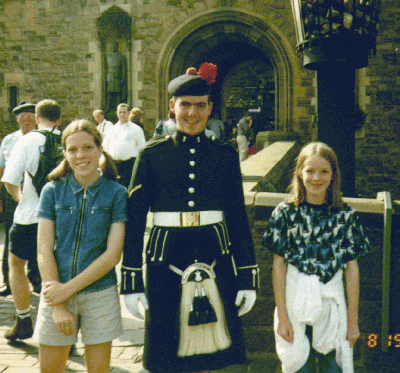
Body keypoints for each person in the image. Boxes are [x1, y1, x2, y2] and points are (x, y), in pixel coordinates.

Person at [122, 62, 259, 373]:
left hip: (215, 256)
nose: (193, 114)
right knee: (166, 354)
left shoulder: (224, 156)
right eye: (185, 105)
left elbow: (237, 217)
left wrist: (248, 275)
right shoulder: (151, 155)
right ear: (172, 107)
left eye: (200, 106)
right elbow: (134, 219)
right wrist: (130, 279)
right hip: (164, 259)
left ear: (210, 108)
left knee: (208, 355)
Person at [262, 142, 371, 373]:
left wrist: (353, 321)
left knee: (334, 367)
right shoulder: (285, 213)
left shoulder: (345, 215)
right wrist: (282, 316)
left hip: (332, 304)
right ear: (300, 172)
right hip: (294, 302)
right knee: (297, 365)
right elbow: (278, 266)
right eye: (310, 170)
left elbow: (352, 269)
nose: (316, 178)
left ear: (333, 175)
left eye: (324, 171)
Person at [33, 119, 126, 372]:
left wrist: (67, 290)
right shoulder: (52, 191)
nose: (80, 155)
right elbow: (43, 249)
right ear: (65, 153)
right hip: (56, 291)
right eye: (72, 149)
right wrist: (58, 303)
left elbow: (112, 255)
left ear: (100, 149)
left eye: (88, 147)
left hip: (100, 294)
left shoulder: (117, 193)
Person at [2, 99, 61, 341]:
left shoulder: (27, 140)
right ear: (59, 119)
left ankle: (23, 320)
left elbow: (10, 179)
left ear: (37, 118)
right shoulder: (69, 138)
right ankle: (62, 328)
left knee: (16, 264)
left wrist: (22, 200)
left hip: (30, 217)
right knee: (59, 270)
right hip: (63, 217)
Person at [0, 101, 41, 297]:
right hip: (10, 192)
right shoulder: (8, 140)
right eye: (21, 114)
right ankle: (9, 282)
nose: (26, 117)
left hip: (35, 192)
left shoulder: (43, 139)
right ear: (17, 118)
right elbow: (1, 169)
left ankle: (37, 279)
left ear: (37, 118)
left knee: (38, 234)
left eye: (30, 114)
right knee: (11, 235)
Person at [102, 103, 146, 188]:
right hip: (113, 165)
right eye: (120, 112)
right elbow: (105, 148)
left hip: (129, 166)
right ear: (117, 113)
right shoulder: (111, 129)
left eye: (124, 112)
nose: (122, 114)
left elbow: (142, 149)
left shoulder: (136, 129)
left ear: (129, 113)